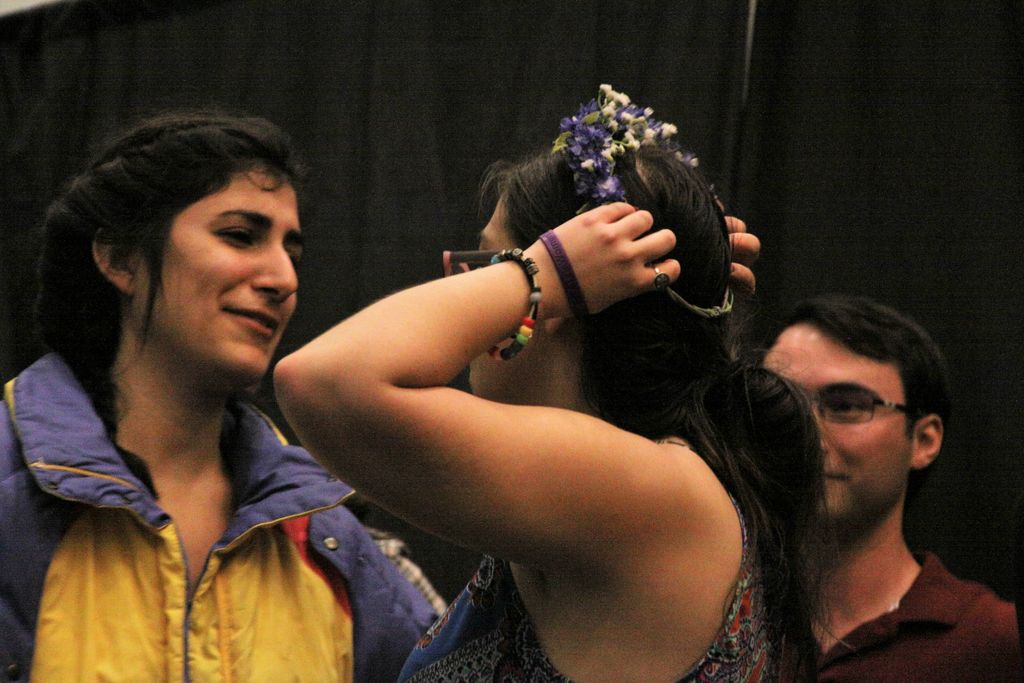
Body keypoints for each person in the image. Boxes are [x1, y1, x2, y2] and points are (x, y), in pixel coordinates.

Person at [275, 85, 828, 682]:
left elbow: (323, 383)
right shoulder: (627, 483)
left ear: (573, 298)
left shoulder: (645, 489)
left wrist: (540, 273)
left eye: (488, 266)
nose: (466, 293)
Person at [0, 111, 436, 682]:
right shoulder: (11, 491)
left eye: (292, 253)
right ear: (120, 257)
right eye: (240, 236)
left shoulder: (329, 536)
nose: (283, 278)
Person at [765, 294, 1021, 682]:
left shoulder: (993, 643)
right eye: (779, 402)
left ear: (924, 440)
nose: (804, 433)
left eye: (846, 405)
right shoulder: (713, 621)